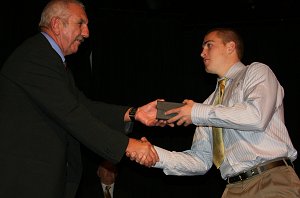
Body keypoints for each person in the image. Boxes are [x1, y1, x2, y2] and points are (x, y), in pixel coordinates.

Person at [0, 0, 163, 197]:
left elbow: (83, 106)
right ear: (57, 24)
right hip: (27, 182)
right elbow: (73, 114)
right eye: (81, 23)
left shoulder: (52, 60)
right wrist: (128, 145)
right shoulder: (36, 56)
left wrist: (134, 113)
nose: (86, 33)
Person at [130, 27, 300, 197]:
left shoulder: (256, 71)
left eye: (209, 45)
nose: (202, 53)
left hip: (270, 179)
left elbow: (256, 117)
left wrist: (196, 112)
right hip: (232, 189)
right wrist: (154, 155)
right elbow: (200, 161)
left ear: (230, 47)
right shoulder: (208, 104)